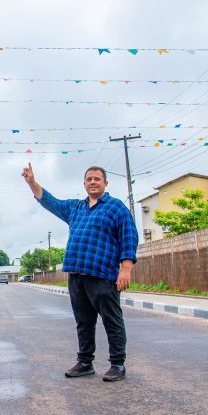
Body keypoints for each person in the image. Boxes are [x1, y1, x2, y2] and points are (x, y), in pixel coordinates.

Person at [22, 163, 138, 382]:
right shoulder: (76, 208)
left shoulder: (115, 207)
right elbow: (50, 201)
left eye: (97, 179)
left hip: (103, 277)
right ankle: (85, 362)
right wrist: (31, 182)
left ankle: (118, 364)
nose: (93, 182)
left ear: (105, 183)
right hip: (76, 277)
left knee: (112, 321)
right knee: (84, 322)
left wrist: (125, 270)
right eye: (89, 179)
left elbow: (129, 239)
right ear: (84, 183)